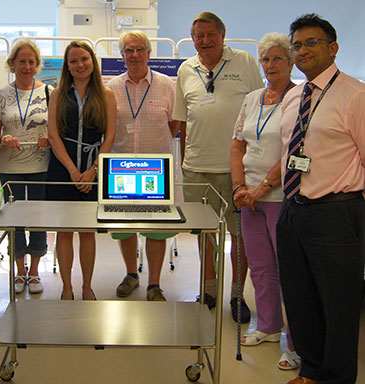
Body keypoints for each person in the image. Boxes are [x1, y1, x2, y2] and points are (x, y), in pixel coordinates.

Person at [277, 14, 365, 384]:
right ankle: (311, 371)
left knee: (339, 306)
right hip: (293, 210)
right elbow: (286, 151)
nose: (302, 50)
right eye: (296, 44)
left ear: (333, 48)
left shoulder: (355, 95)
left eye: (311, 43)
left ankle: (337, 377)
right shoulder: (294, 95)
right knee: (300, 301)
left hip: (337, 212)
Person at [172, 12, 264, 322]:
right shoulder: (186, 69)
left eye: (211, 34)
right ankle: (208, 288)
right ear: (192, 37)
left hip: (238, 169)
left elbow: (261, 109)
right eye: (199, 36)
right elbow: (183, 123)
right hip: (197, 167)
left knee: (240, 236)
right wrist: (186, 162)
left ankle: (238, 294)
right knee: (205, 233)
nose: (205, 41)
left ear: (223, 35)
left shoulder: (245, 63)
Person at [229, 32, 300, 371]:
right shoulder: (253, 97)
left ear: (290, 62)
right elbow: (237, 144)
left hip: (282, 196)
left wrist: (262, 188)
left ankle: (298, 342)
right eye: (265, 59)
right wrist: (239, 187)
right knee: (259, 267)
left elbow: (293, 151)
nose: (270, 65)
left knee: (290, 270)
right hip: (249, 198)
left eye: (277, 59)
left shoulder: (301, 97)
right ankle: (269, 327)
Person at [106, 31, 179, 301]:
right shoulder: (111, 87)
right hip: (121, 167)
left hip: (156, 168)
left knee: (156, 227)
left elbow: (174, 125)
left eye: (139, 49)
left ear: (148, 53)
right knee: (125, 226)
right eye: (128, 50)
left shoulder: (167, 85)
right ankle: (131, 275)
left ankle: (154, 284)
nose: (134, 55)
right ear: (122, 55)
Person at [47, 41, 116, 300]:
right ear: (67, 66)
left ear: (92, 61)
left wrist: (92, 171)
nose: (79, 65)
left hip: (93, 170)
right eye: (73, 61)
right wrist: (73, 172)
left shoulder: (106, 94)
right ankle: (67, 287)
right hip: (62, 169)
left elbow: (109, 136)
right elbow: (53, 135)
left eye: (84, 59)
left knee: (87, 232)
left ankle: (87, 287)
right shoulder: (57, 93)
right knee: (64, 232)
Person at [0, 40, 51, 295]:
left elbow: (58, 129)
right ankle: (19, 271)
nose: (26, 66)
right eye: (21, 61)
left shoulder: (49, 92)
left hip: (41, 165)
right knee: (14, 220)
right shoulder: (1, 95)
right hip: (10, 167)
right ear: (12, 63)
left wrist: (50, 137)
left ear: (37, 65)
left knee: (38, 219)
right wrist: (4, 138)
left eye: (31, 62)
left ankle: (35, 271)